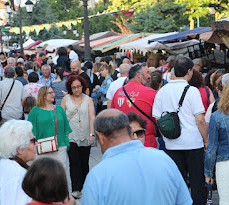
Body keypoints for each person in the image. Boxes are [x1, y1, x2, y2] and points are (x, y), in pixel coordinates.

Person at [81, 109, 192, 205]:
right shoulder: (164, 160)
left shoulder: (97, 176)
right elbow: (184, 201)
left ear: (100, 136)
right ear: (129, 131)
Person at [152, 57, 208, 205]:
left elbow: (157, 117)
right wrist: (206, 139)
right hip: (193, 143)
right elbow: (200, 120)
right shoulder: (192, 91)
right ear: (189, 71)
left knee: (177, 183)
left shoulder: (162, 91)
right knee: (197, 182)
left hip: (172, 144)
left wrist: (166, 135)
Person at [61, 75, 95, 199]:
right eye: (74, 87)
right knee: (74, 162)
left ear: (83, 86)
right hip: (71, 135)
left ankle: (85, 187)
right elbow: (62, 117)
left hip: (85, 134)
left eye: (78, 87)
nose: (76, 90)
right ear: (70, 88)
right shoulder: (66, 99)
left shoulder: (88, 100)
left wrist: (92, 134)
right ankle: (76, 188)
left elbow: (92, 117)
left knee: (84, 163)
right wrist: (63, 132)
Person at [111, 63, 158, 148]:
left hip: (124, 143)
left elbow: (113, 118)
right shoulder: (151, 93)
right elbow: (159, 119)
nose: (149, 76)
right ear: (138, 75)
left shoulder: (118, 92)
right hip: (146, 142)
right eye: (147, 72)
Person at [0, 120, 36, 205]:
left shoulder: (6, 165)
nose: (36, 144)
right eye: (33, 141)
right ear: (20, 148)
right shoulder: (15, 173)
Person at [28, 86, 72, 170]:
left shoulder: (59, 109)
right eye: (50, 93)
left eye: (53, 92)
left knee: (59, 174)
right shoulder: (35, 111)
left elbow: (66, 128)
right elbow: (30, 130)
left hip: (59, 147)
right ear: (43, 95)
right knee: (42, 175)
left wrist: (65, 142)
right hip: (41, 148)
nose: (53, 94)